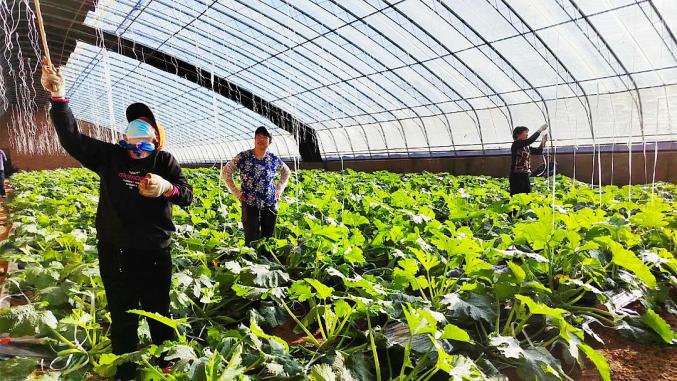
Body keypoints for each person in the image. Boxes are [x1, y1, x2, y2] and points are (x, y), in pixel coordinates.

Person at [40, 57, 192, 380]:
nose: (137, 150)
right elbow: (72, 139)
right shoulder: (111, 156)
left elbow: (186, 195)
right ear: (125, 138)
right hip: (115, 251)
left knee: (158, 314)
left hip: (154, 253)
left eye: (144, 136)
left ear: (155, 137)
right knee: (122, 317)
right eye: (132, 136)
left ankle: (165, 366)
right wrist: (59, 97)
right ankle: (127, 370)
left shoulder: (164, 161)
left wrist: (167, 189)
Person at [222, 127, 290, 248]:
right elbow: (226, 171)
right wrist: (236, 191)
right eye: (258, 136)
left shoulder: (273, 159)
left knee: (267, 238)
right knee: (251, 239)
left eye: (264, 136)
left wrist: (279, 188)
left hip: (270, 203)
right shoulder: (243, 157)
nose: (261, 139)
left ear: (270, 141)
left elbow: (286, 172)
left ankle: (266, 262)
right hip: (249, 202)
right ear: (254, 139)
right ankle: (251, 263)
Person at [509, 124, 549, 196]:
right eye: (525, 132)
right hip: (516, 175)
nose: (527, 134)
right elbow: (530, 140)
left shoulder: (526, 147)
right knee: (517, 195)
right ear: (518, 135)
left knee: (526, 193)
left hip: (525, 174)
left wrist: (543, 142)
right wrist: (540, 130)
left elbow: (538, 151)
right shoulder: (516, 144)